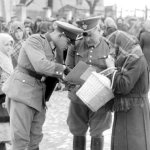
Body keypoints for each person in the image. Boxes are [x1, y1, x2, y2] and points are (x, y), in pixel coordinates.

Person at [2, 21, 83, 150]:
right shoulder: (35, 40)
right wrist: (63, 68)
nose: (68, 47)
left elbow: (56, 74)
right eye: (68, 42)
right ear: (61, 35)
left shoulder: (57, 52)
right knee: (21, 140)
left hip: (39, 98)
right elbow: (40, 65)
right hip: (22, 94)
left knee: (35, 140)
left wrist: (72, 81)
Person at [65, 16, 112, 150]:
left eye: (90, 35)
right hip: (78, 94)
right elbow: (68, 68)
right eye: (84, 36)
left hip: (100, 97)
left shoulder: (109, 46)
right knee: (77, 129)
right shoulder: (75, 45)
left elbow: (113, 71)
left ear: (99, 30)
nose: (86, 39)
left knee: (98, 129)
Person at [105, 30, 150, 150]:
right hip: (129, 107)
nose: (112, 52)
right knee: (124, 142)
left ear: (121, 45)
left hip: (134, 109)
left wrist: (111, 69)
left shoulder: (135, 59)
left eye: (113, 47)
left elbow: (124, 85)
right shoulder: (128, 58)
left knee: (133, 143)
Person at [0, 33, 14, 150]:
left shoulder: (6, 59)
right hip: (1, 101)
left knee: (3, 136)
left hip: (6, 100)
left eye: (11, 44)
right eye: (6, 45)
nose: (9, 47)